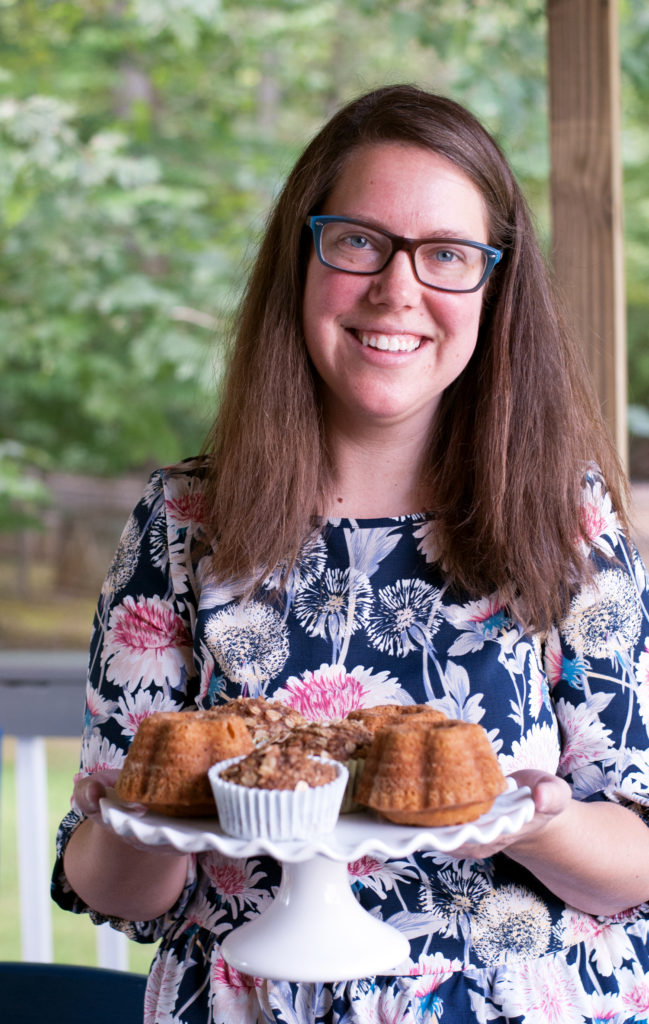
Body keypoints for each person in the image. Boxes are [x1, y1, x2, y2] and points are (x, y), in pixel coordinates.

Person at [52, 84, 649, 1023]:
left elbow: (637, 857)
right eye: (360, 241)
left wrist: (541, 824)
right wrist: (152, 820)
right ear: (303, 257)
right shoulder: (182, 520)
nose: (397, 289)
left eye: (447, 254)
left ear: (494, 291)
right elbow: (115, 888)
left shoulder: (564, 520)